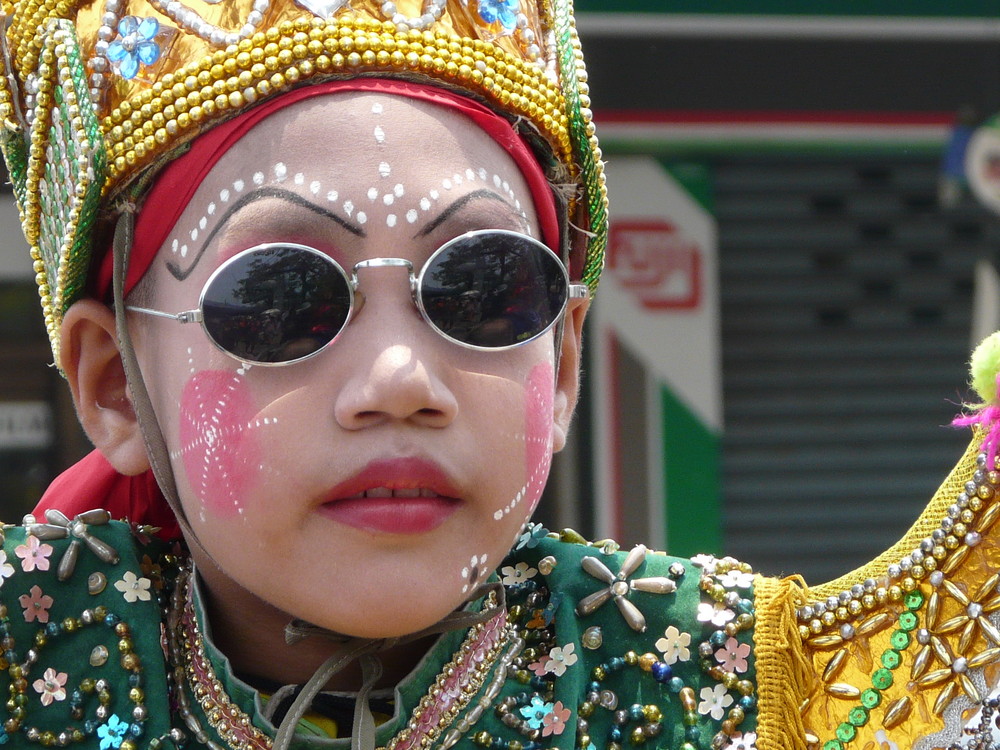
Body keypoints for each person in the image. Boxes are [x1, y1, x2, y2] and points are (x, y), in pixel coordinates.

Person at [2, 2, 999, 750]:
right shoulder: (37, 664)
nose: (399, 379)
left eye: (482, 290)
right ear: (113, 388)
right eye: (280, 298)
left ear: (562, 361)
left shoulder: (704, 691)